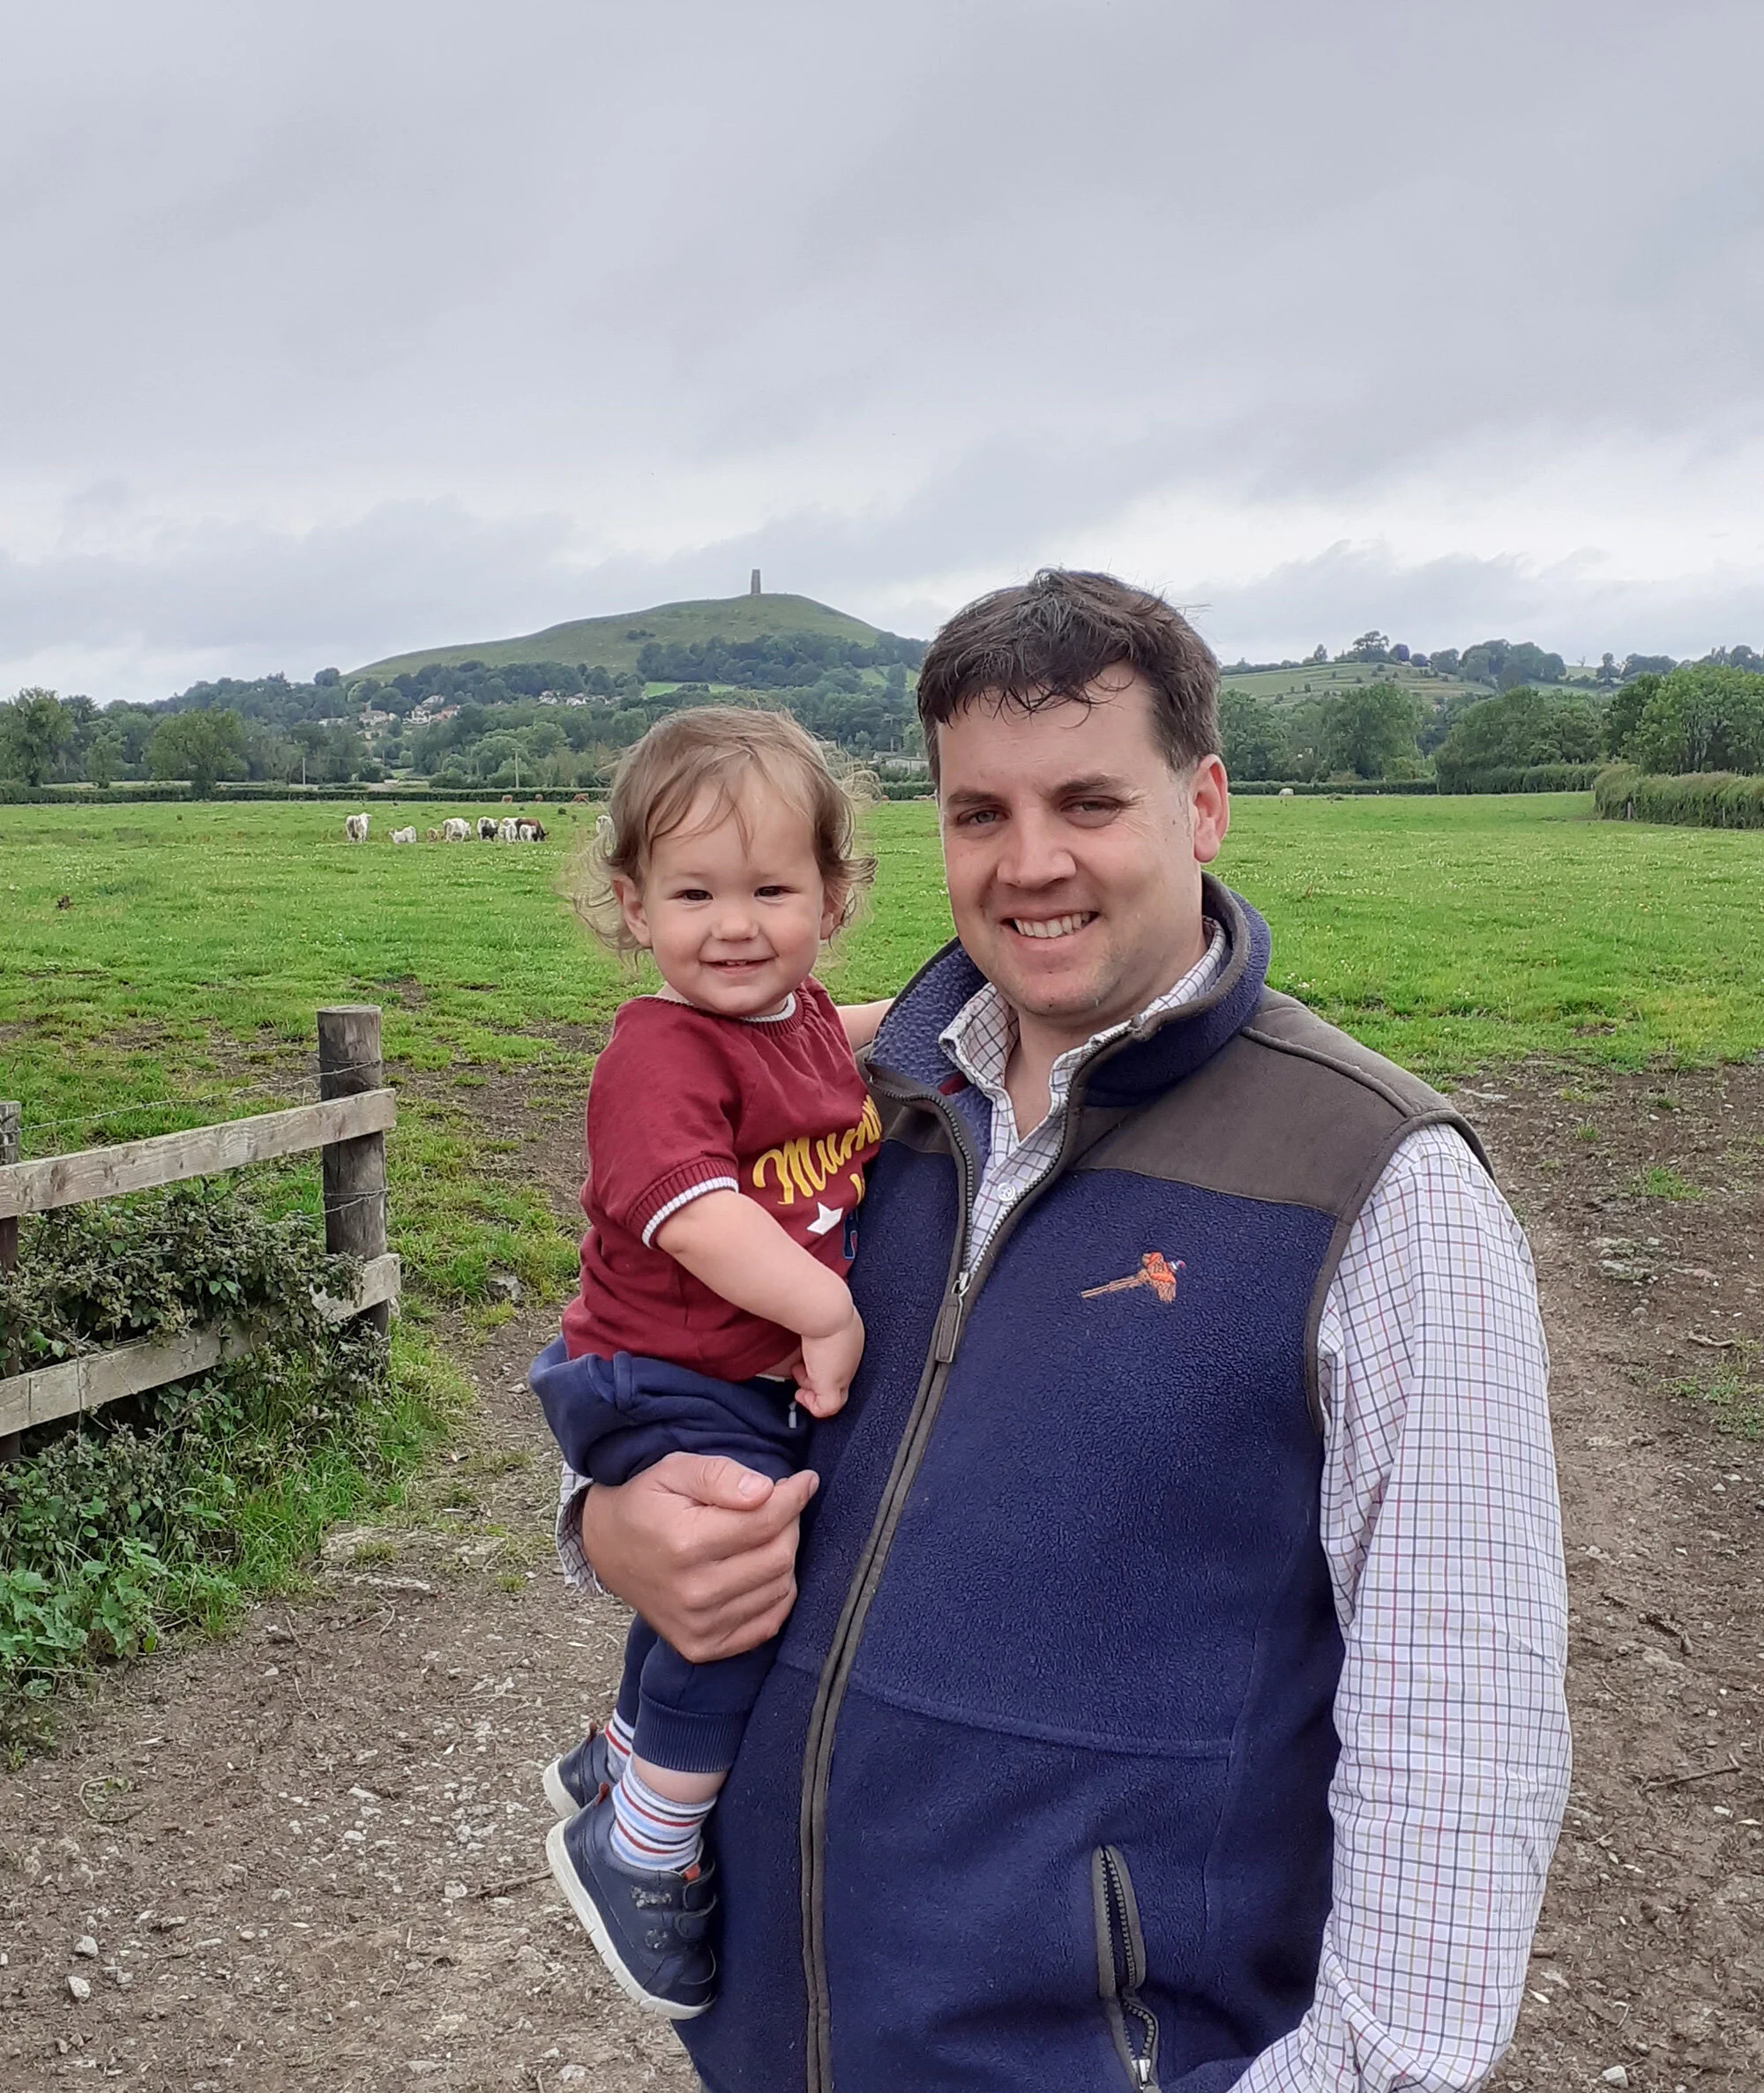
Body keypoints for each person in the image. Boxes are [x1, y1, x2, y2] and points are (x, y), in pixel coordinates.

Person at [563, 571, 1570, 2091]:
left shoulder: (1379, 1187)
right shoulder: (862, 1113)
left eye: (1089, 801)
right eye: (981, 814)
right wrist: (600, 1522)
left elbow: (1465, 1729)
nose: (1032, 865)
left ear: (1205, 803)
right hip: (777, 2042)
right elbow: (653, 1353)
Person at [529, 706, 888, 2019]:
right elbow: (695, 1210)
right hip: (660, 1370)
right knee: (742, 1587)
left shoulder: (785, 1019)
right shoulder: (656, 1052)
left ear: (834, 899)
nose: (733, 926)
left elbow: (827, 1041)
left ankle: (621, 1750)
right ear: (632, 906)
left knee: (723, 1563)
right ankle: (642, 1847)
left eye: (771, 890)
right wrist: (825, 1311)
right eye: (693, 894)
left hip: (705, 1373)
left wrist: (909, 1021)